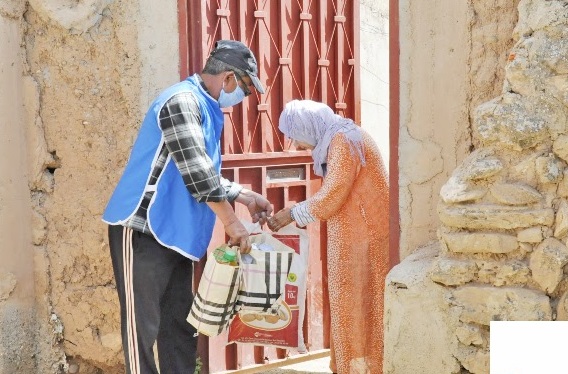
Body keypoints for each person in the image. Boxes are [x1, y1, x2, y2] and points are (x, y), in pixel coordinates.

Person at [102, 40, 272, 374]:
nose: (244, 98)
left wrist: (243, 195)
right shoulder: (182, 101)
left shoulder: (204, 106)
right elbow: (198, 174)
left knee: (179, 326)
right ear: (227, 79)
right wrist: (232, 223)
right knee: (142, 329)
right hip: (143, 229)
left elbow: (198, 172)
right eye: (246, 89)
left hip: (176, 234)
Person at [267, 100, 390, 374]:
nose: (296, 145)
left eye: (295, 136)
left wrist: (293, 213)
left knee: (355, 303)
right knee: (355, 303)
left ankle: (359, 368)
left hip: (363, 237)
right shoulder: (340, 136)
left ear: (308, 127)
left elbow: (333, 193)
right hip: (358, 232)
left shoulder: (343, 141)